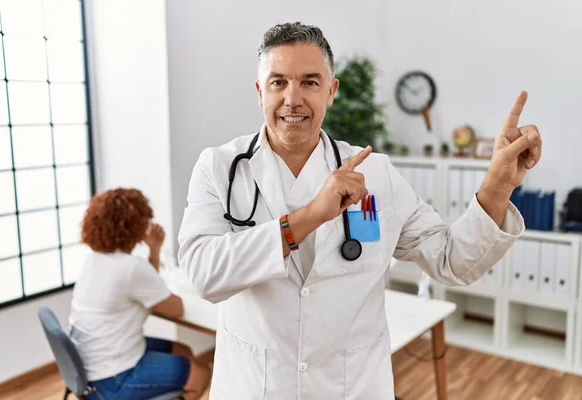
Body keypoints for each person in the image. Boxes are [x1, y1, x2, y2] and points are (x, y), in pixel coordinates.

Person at [177, 22, 541, 399]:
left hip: (352, 388)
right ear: (259, 92)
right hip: (256, 387)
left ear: (331, 91)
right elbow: (204, 274)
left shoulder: (375, 173)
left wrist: (498, 185)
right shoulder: (219, 168)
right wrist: (311, 216)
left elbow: (452, 260)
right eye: (278, 82)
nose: (293, 98)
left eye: (310, 82)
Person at [69, 188, 210, 400]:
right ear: (135, 226)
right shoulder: (130, 268)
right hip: (112, 378)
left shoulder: (95, 259)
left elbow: (144, 288)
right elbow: (176, 309)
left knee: (184, 351)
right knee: (202, 374)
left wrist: (154, 252)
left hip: (88, 367)